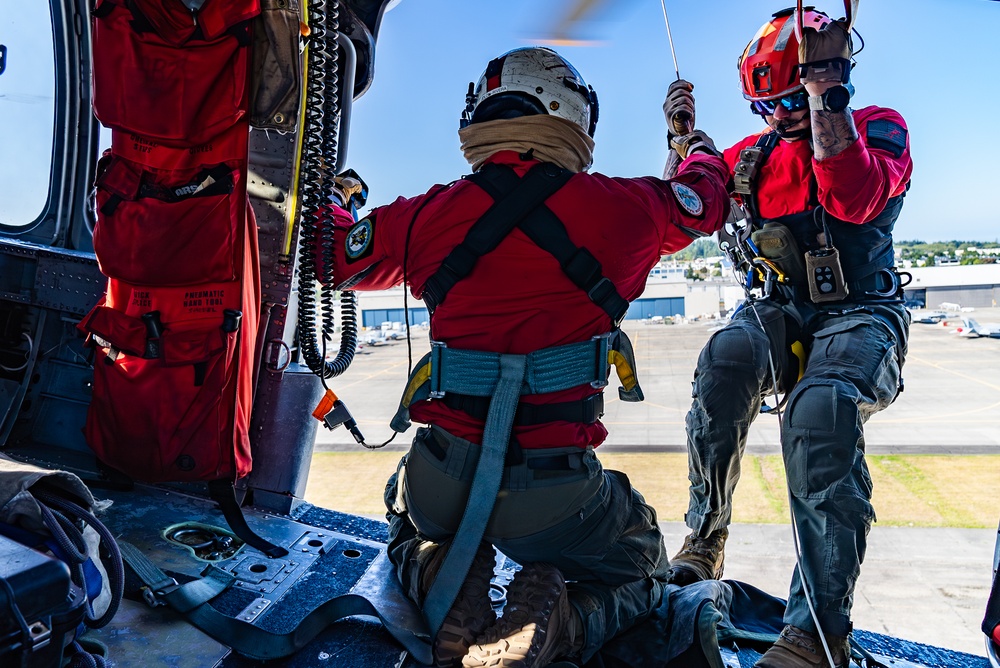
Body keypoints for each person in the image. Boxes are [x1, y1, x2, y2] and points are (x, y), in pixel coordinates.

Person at [318, 46, 729, 668]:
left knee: (402, 506)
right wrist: (690, 144)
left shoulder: (422, 216)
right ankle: (565, 622)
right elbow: (707, 200)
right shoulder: (630, 209)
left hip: (443, 481)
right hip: (556, 496)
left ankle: (437, 575)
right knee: (642, 566)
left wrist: (343, 197)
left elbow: (330, 254)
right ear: (572, 116)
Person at [662, 7, 912, 668]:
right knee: (723, 364)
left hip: (861, 313)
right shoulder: (752, 157)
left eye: (787, 98)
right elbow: (688, 209)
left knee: (820, 412)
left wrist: (828, 92)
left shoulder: (878, 128)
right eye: (766, 103)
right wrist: (684, 144)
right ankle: (704, 536)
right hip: (778, 311)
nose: (780, 114)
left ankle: (817, 633)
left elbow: (853, 198)